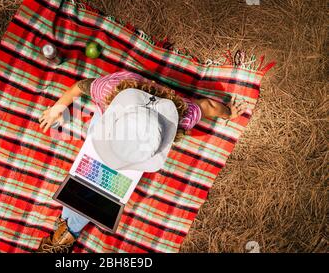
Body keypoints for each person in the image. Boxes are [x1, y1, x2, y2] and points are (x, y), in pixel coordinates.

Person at [37, 71, 247, 253]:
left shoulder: (112, 90)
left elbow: (80, 86)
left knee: (93, 184)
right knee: (91, 182)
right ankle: (65, 232)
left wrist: (59, 108)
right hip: (121, 113)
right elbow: (208, 106)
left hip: (125, 112)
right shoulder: (113, 91)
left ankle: (65, 233)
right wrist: (228, 112)